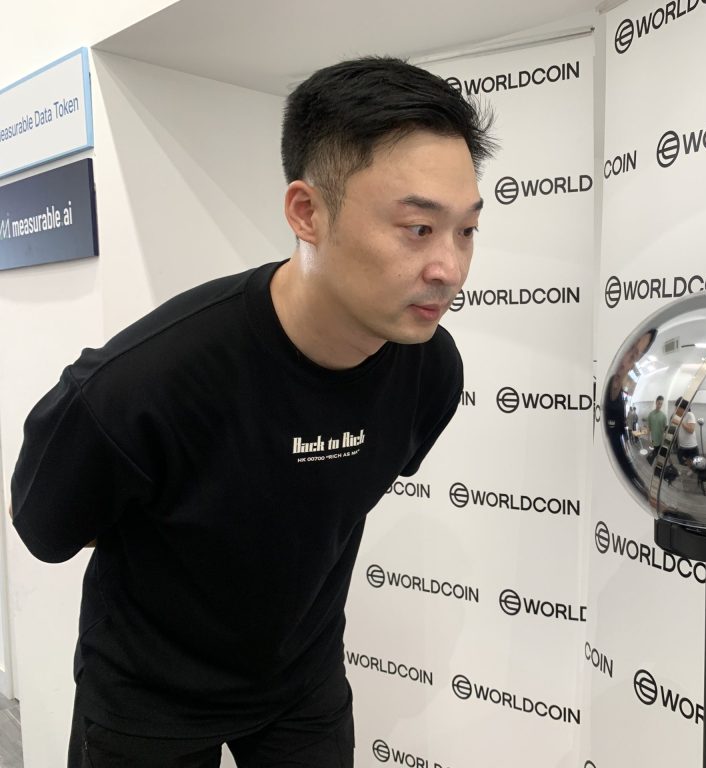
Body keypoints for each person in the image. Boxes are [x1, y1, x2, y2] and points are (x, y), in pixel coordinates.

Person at [9, 56, 495, 767]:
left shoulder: (430, 370)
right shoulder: (143, 383)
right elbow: (48, 528)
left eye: (466, 231)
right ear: (307, 213)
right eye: (418, 228)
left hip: (301, 680)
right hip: (147, 693)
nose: (449, 268)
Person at [672, 397, 699, 467]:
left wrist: (680, 422)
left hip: (691, 447)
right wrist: (677, 421)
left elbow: (691, 430)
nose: (675, 410)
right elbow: (679, 424)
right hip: (682, 446)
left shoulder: (690, 414)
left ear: (682, 408)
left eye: (676, 408)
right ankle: (689, 468)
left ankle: (693, 470)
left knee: (695, 465)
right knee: (684, 462)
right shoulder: (682, 416)